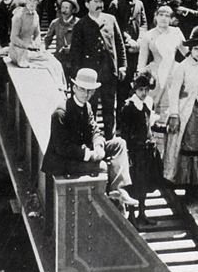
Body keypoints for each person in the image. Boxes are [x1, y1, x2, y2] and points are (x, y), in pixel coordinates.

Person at [41, 67, 136, 210]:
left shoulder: (88, 107)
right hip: (63, 161)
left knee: (120, 144)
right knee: (103, 166)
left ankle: (117, 189)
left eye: (90, 91)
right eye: (83, 89)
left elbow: (94, 130)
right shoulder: (61, 113)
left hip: (82, 153)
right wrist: (90, 155)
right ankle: (108, 200)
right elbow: (62, 148)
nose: (86, 94)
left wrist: (98, 145)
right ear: (74, 88)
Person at [163, 25, 198, 199]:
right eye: (196, 49)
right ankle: (188, 184)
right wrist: (174, 113)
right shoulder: (182, 67)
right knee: (189, 145)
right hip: (188, 112)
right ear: (190, 49)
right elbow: (173, 91)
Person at [69, 0, 127, 137]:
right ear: (87, 4)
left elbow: (119, 44)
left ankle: (110, 139)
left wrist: (122, 66)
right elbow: (75, 54)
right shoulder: (81, 25)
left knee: (110, 108)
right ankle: (91, 139)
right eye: (96, 2)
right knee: (90, 108)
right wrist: (78, 78)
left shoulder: (110, 19)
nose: (100, 4)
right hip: (90, 77)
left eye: (101, 1)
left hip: (109, 73)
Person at [119, 72, 163, 228]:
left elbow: (149, 124)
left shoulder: (147, 103)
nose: (143, 93)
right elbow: (124, 133)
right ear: (134, 90)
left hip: (146, 150)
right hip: (134, 151)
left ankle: (142, 213)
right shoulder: (128, 107)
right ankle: (132, 216)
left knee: (144, 182)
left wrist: (163, 129)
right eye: (140, 90)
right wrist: (127, 154)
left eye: (146, 90)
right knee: (133, 182)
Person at [136, 4, 186, 140]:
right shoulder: (148, 35)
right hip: (154, 76)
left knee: (171, 110)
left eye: (167, 15)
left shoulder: (176, 32)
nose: (164, 18)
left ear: (171, 18)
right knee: (152, 112)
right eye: (161, 15)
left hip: (173, 74)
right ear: (156, 17)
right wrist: (140, 79)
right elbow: (141, 61)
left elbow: (187, 53)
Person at [8, 0, 67, 89]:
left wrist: (37, 43)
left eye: (35, 1)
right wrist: (27, 46)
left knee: (54, 62)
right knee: (45, 63)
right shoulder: (18, 15)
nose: (32, 3)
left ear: (38, 2)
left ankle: (59, 87)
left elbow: (37, 34)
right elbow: (13, 38)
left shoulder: (36, 15)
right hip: (17, 50)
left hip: (31, 48)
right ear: (26, 0)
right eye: (30, 0)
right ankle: (55, 86)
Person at [109, 0, 145, 108]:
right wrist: (129, 40)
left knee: (136, 84)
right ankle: (120, 120)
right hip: (123, 50)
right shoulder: (115, 4)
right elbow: (115, 26)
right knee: (122, 87)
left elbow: (144, 24)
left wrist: (140, 40)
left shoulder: (139, 4)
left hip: (137, 50)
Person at [44, 0, 80, 79]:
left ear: (73, 10)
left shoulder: (79, 23)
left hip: (74, 61)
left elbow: (83, 42)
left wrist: (71, 47)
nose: (64, 10)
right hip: (59, 60)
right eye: (63, 7)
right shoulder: (55, 23)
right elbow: (47, 40)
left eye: (67, 8)